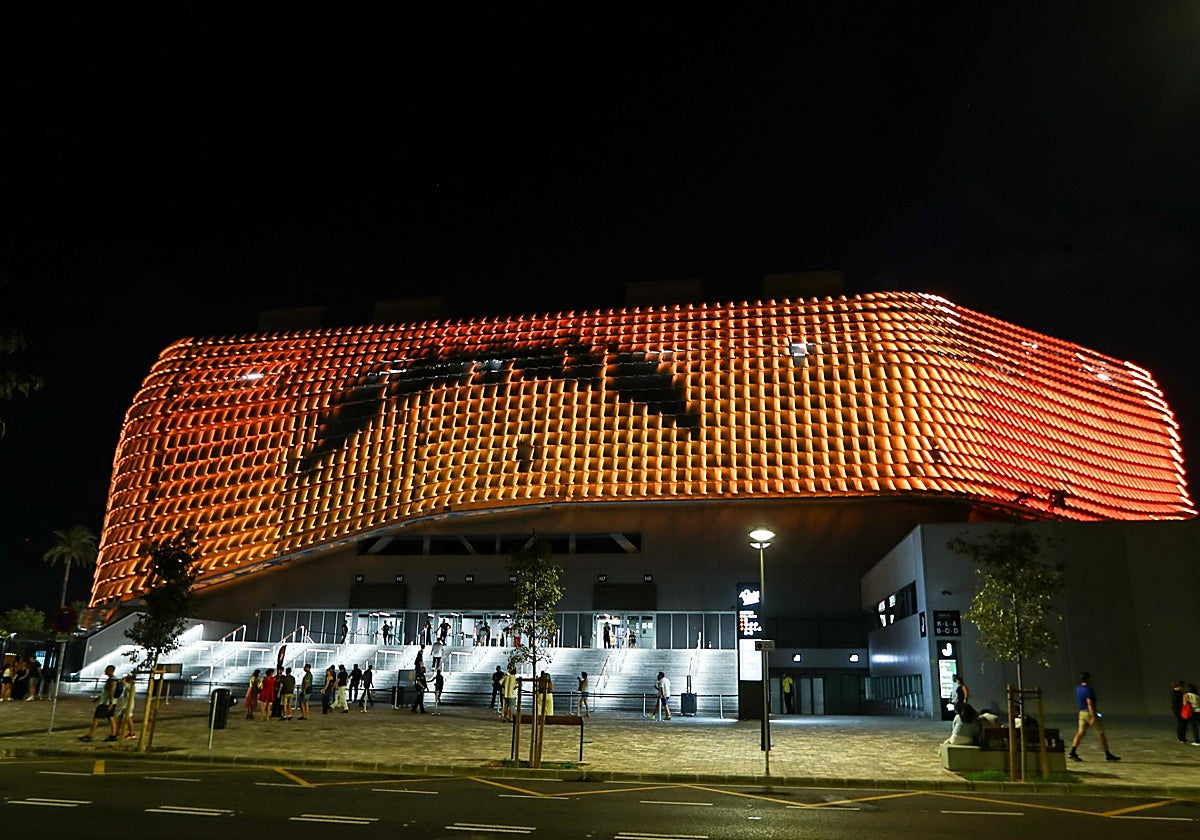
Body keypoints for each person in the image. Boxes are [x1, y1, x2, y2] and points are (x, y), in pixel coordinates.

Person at [1069, 672, 1120, 762]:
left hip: (1081, 713)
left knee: (1080, 733)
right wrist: (1093, 716)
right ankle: (1108, 754)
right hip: (1089, 713)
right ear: (1088, 679)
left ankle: (1072, 751)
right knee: (1101, 732)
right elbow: (1089, 703)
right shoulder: (1088, 690)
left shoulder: (1078, 689)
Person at [80, 665, 119, 742]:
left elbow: (111, 691)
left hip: (106, 703)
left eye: (107, 670)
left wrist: (110, 702)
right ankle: (113, 734)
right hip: (112, 702)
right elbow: (107, 692)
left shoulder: (112, 680)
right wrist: (98, 698)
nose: (105, 671)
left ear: (110, 671)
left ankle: (90, 735)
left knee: (96, 718)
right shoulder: (115, 679)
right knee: (111, 717)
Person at [116, 673, 137, 741]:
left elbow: (123, 682)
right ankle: (117, 732)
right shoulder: (130, 686)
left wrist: (125, 678)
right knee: (120, 717)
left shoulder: (130, 686)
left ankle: (132, 733)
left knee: (128, 719)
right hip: (126, 705)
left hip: (128, 705)